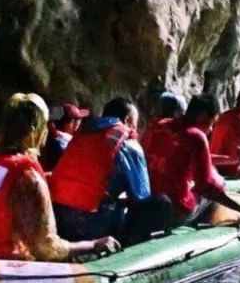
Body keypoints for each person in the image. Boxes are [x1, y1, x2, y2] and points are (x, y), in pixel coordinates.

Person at [0, 93, 119, 261]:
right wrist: (93, 245)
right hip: (3, 263)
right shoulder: (29, 178)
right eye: (44, 125)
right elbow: (48, 248)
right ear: (34, 132)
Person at [50, 97, 171, 246]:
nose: (135, 128)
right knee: (160, 203)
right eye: (135, 123)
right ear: (127, 120)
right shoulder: (129, 144)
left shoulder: (81, 135)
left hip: (57, 217)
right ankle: (129, 250)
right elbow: (141, 196)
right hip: (89, 225)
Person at [145, 94, 240, 226]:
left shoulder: (158, 125)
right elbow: (206, 187)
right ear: (204, 116)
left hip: (150, 199)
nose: (212, 128)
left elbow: (190, 157)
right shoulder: (196, 137)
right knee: (213, 196)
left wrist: (231, 159)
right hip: (174, 210)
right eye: (213, 122)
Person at [40, 103, 89, 171]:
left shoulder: (49, 136)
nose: (80, 122)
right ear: (71, 123)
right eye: (78, 119)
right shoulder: (64, 144)